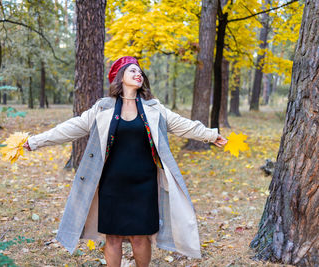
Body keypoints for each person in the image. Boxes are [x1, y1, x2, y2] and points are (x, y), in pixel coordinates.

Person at [23, 56, 227, 267]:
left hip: (144, 185)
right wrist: (35, 141)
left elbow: (184, 125)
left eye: (140, 72)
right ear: (120, 78)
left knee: (141, 237)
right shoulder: (103, 108)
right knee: (113, 237)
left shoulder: (154, 109)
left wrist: (211, 135)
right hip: (112, 185)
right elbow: (71, 127)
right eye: (132, 71)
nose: (138, 74)